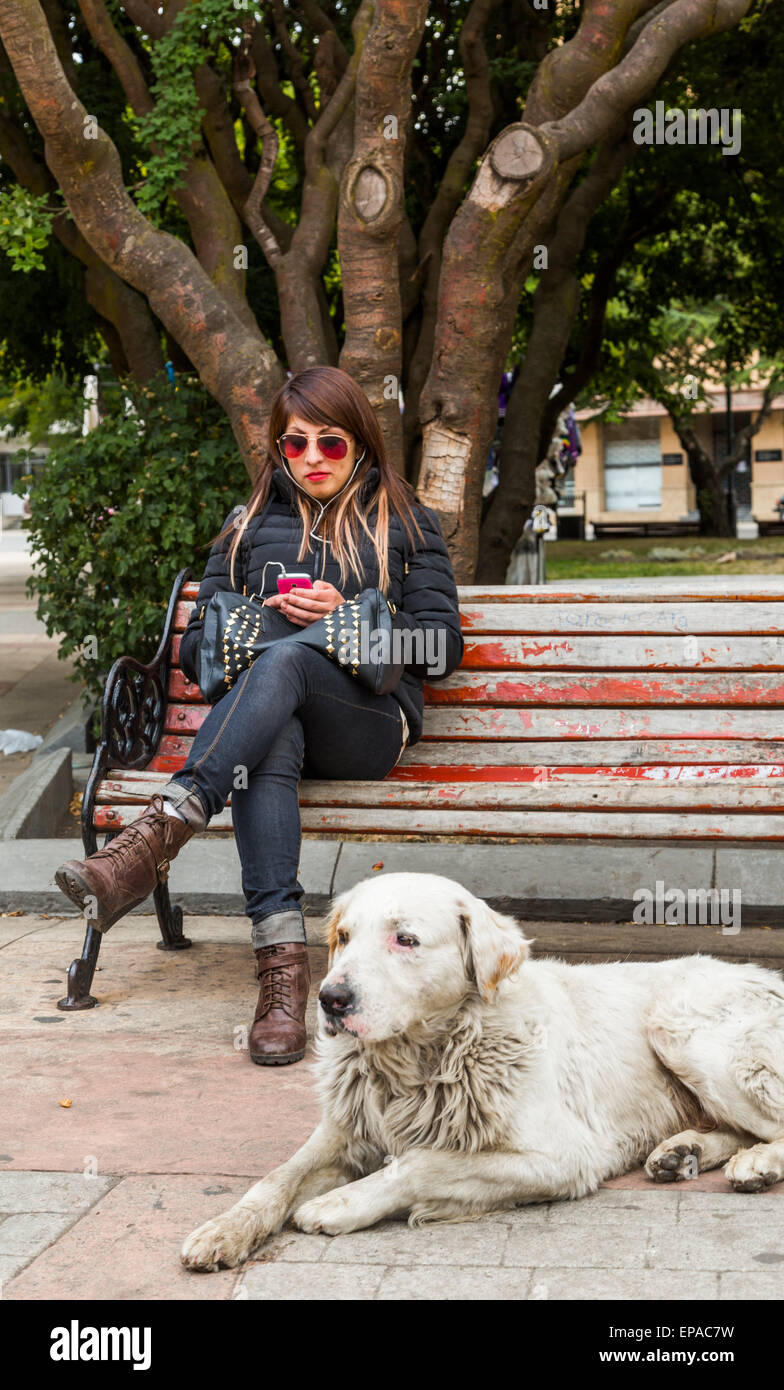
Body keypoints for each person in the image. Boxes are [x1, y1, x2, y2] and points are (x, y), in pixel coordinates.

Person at [55, 366, 464, 1066]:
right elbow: (192, 648)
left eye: (330, 444)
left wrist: (346, 621)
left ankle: (151, 839)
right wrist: (250, 626)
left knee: (287, 666)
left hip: (367, 727)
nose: (311, 459)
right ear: (278, 449)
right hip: (270, 732)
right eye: (295, 444)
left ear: (361, 442)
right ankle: (281, 982)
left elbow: (442, 644)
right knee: (269, 737)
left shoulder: (405, 521)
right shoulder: (246, 528)